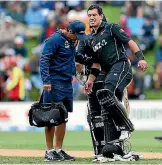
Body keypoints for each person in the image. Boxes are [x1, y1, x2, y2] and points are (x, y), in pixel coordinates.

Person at [85, 4, 148, 144]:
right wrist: (90, 80)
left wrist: (141, 58)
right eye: (89, 15)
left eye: (94, 15)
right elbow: (95, 64)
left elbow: (129, 41)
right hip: (108, 72)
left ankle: (126, 126)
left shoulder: (111, 27)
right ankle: (113, 143)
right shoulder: (91, 39)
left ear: (101, 16)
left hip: (121, 66)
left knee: (106, 92)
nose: (91, 18)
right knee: (107, 101)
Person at [76, 18, 131, 161]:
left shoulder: (87, 40)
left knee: (96, 116)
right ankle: (115, 148)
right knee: (109, 111)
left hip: (96, 80)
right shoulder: (106, 38)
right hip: (104, 79)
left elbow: (79, 62)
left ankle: (102, 151)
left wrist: (84, 79)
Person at [40, 20, 87, 162]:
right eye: (77, 35)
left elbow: (73, 57)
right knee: (51, 117)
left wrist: (88, 60)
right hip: (54, 83)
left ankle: (59, 150)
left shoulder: (72, 41)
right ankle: (49, 151)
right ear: (70, 31)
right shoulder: (55, 39)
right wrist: (46, 80)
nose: (79, 38)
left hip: (67, 83)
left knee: (63, 118)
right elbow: (44, 59)